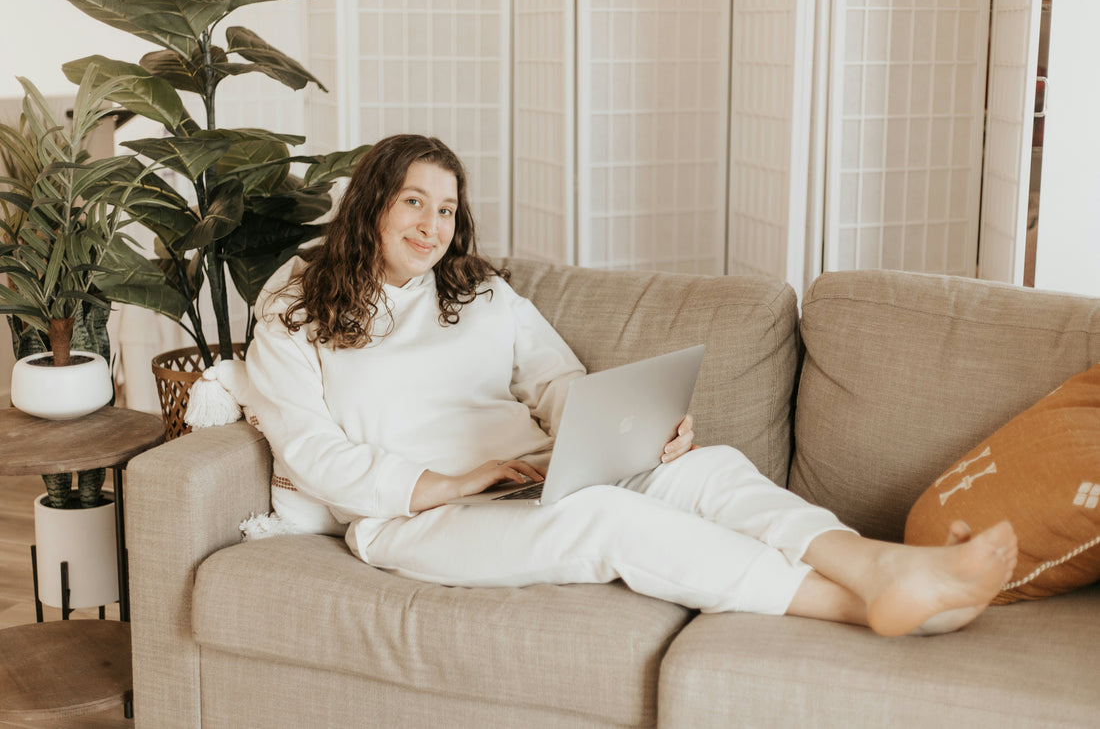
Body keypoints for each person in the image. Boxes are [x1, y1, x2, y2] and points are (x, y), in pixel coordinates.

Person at [244, 134, 1018, 637]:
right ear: (373, 200)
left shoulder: (477, 291)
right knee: (608, 519)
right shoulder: (295, 303)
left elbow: (556, 379)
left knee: (704, 467)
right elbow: (309, 447)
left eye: (447, 208)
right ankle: (877, 600)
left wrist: (631, 428)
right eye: (415, 200)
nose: (432, 224)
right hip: (416, 519)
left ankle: (874, 565)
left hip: (540, 472)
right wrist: (448, 481)